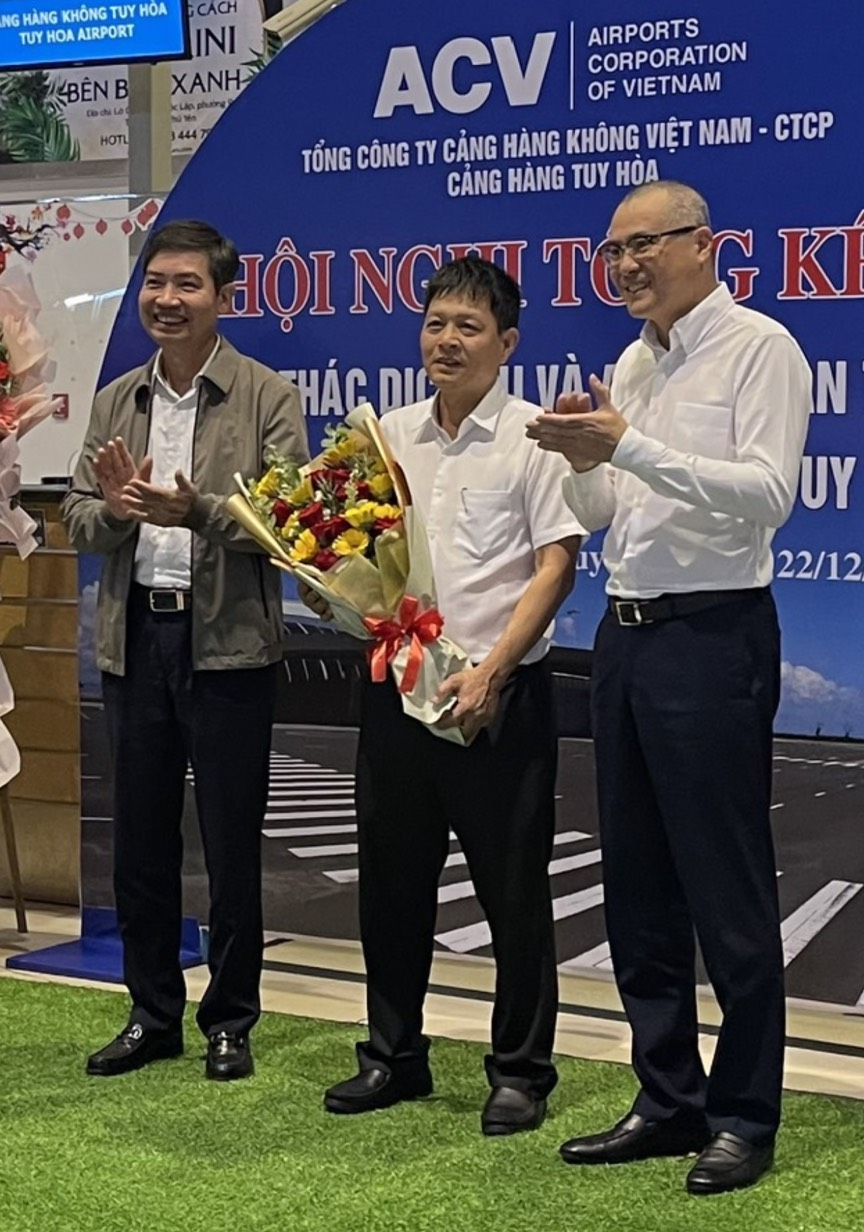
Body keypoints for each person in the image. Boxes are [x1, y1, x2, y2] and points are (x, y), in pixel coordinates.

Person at [527, 182, 811, 1194]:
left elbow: (769, 494)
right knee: (639, 882)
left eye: (644, 244)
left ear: (704, 244)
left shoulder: (759, 347)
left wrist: (628, 444)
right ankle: (667, 1096)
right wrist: (581, 460)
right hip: (628, 633)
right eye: (613, 252)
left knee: (725, 885)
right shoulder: (635, 361)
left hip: (714, 634)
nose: (626, 265)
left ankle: (744, 1115)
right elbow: (608, 507)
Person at [303, 257, 583, 1135]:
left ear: (508, 342)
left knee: (512, 893)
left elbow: (557, 565)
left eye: (468, 326)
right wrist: (327, 585)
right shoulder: (387, 436)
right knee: (391, 885)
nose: (447, 341)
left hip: (498, 698)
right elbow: (347, 549)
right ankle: (393, 1056)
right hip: (397, 691)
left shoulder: (534, 436)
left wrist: (493, 670)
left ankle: (521, 1072)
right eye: (435, 324)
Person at [62, 219, 308, 1081]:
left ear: (223, 297)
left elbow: (287, 524)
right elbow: (78, 519)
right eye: (155, 284)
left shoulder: (266, 395)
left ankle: (230, 1020)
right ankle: (150, 1012)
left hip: (229, 645)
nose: (167, 300)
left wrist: (196, 511)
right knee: (140, 840)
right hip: (135, 640)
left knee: (231, 842)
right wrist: (116, 510)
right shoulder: (116, 399)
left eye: (187, 285)